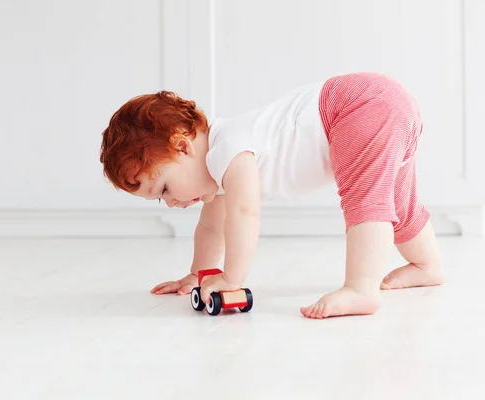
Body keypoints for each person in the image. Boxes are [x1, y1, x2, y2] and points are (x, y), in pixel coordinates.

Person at [99, 72, 445, 319]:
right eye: (160, 200)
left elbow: (244, 213)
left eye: (165, 189)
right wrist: (199, 274)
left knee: (365, 200)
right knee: (399, 201)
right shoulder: (218, 168)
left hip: (358, 107)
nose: (172, 203)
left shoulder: (228, 151)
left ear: (182, 146)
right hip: (383, 100)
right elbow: (210, 229)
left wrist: (232, 278)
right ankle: (427, 265)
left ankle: (361, 288)